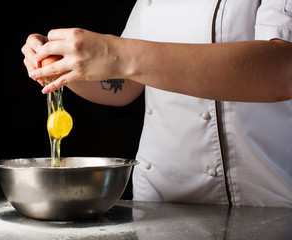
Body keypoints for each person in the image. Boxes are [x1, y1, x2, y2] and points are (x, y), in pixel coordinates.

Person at [22, 0, 292, 207]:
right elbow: (123, 85)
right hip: (158, 201)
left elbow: (282, 71)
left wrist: (115, 53)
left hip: (261, 200)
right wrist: (63, 64)